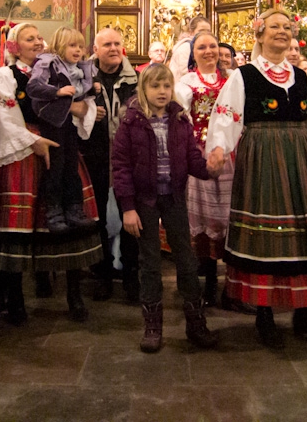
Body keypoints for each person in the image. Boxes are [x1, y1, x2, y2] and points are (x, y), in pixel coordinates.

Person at [206, 9, 307, 348]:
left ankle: (305, 317)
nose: (282, 31)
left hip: (302, 160)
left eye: (287, 27)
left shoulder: (303, 78)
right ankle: (264, 317)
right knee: (268, 238)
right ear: (260, 34)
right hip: (262, 159)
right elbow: (227, 117)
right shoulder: (244, 76)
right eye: (274, 27)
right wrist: (219, 148)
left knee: (305, 239)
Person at [0, 23, 103, 324]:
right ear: (15, 47)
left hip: (61, 142)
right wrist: (33, 141)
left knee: (69, 217)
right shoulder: (7, 75)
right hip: (26, 150)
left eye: (40, 37)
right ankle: (15, 300)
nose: (38, 42)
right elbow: (4, 115)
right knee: (21, 227)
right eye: (30, 39)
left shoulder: (59, 68)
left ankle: (74, 295)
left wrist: (79, 109)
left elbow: (83, 104)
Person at [112, 64, 219, 353]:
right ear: (143, 89)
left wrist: (210, 169)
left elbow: (192, 159)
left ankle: (196, 324)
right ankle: (152, 327)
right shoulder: (131, 122)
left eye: (167, 86)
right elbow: (121, 167)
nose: (162, 91)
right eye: (155, 86)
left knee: (186, 260)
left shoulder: (180, 120)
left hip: (174, 198)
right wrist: (128, 207)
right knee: (150, 263)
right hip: (144, 201)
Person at [174, 32, 242, 311]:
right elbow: (181, 118)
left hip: (231, 156)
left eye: (213, 46)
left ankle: (233, 288)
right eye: (201, 47)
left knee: (230, 216)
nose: (209, 51)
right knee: (204, 217)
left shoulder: (233, 80)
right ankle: (209, 283)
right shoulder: (187, 83)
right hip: (200, 156)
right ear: (194, 53)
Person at [80, 27, 141, 302]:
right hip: (94, 156)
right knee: (98, 219)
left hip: (129, 160)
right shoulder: (82, 78)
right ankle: (102, 274)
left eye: (117, 43)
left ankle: (131, 277)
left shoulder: (136, 79)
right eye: (107, 45)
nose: (113, 48)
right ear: (96, 49)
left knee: (132, 215)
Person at [27, 27, 100, 234]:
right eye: (72, 46)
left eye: (80, 46)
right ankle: (53, 210)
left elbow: (78, 92)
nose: (78, 50)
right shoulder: (47, 63)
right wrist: (57, 91)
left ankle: (74, 208)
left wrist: (92, 88)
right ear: (59, 46)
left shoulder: (79, 69)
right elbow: (33, 87)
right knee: (56, 165)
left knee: (71, 164)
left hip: (69, 121)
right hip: (52, 120)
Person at [168, 16, 212, 80]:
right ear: (191, 32)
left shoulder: (203, 46)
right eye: (201, 31)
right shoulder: (186, 47)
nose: (205, 34)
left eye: (208, 31)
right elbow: (186, 73)